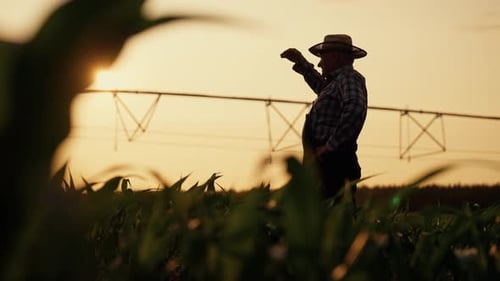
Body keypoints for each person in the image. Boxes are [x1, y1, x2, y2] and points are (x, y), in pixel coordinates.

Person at [280, 34, 368, 203]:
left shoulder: (349, 78)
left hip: (334, 163)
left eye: (322, 58)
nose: (319, 63)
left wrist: (330, 146)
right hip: (326, 163)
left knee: (331, 213)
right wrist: (301, 63)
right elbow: (322, 87)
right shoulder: (336, 83)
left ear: (335, 57)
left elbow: (355, 109)